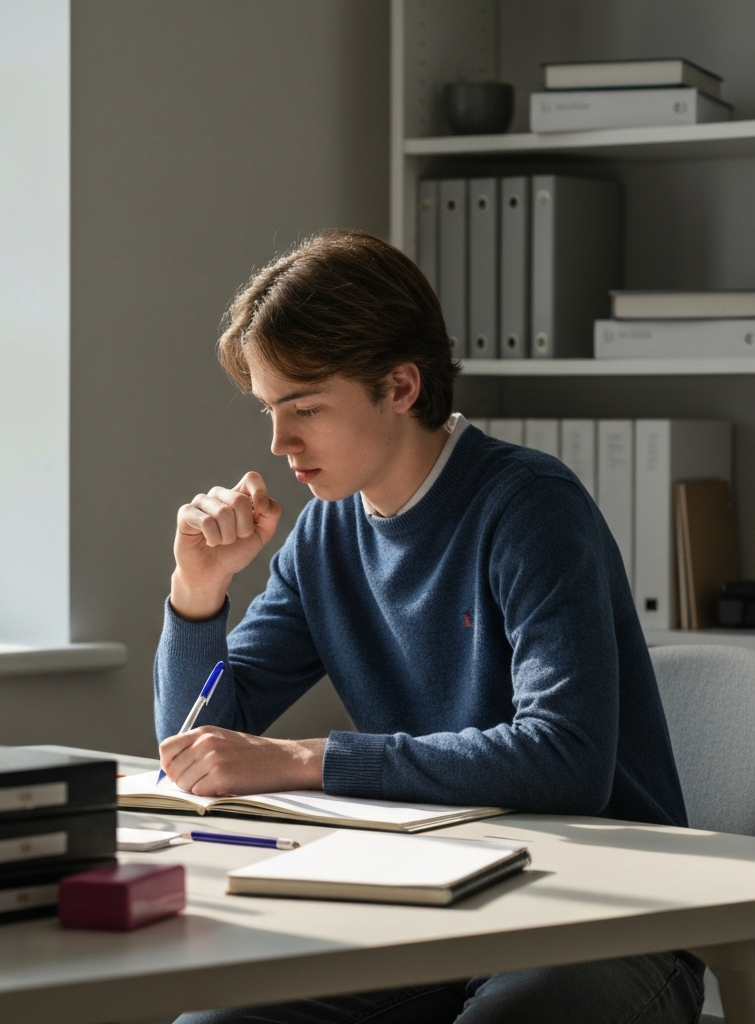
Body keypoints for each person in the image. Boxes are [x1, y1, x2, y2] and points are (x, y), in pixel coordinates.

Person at [154, 230, 704, 1023]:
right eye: (271, 411)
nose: (280, 445)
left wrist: (307, 758)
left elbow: (565, 761)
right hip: (432, 903)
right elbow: (198, 751)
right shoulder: (325, 534)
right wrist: (197, 592)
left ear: (401, 386)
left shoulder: (530, 508)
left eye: (305, 407)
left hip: (603, 914)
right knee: (214, 1020)